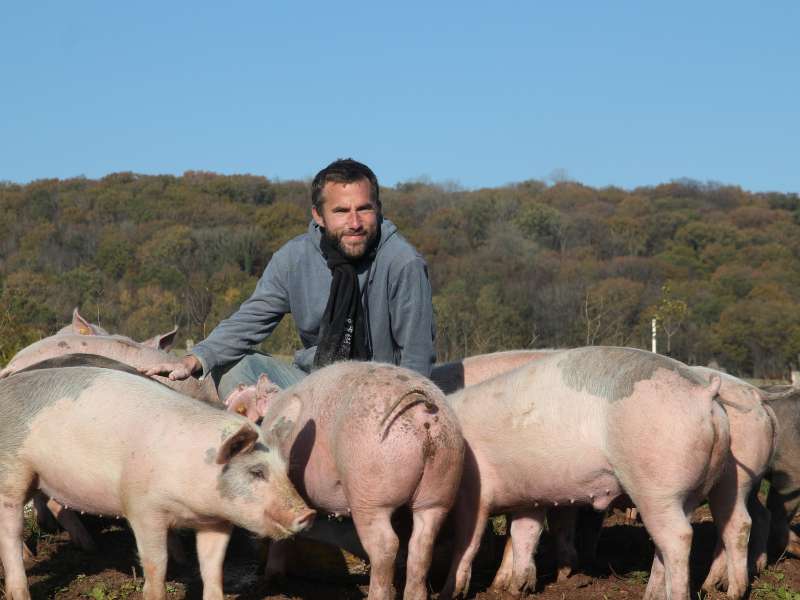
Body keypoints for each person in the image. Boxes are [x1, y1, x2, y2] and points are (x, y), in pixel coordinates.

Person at [143, 158, 436, 400]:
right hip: (314, 382)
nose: (355, 223)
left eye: (364, 209)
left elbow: (416, 356)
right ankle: (270, 455)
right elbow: (251, 320)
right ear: (318, 215)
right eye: (341, 211)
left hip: (380, 392)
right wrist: (195, 358)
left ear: (378, 209)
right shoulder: (294, 258)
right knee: (233, 366)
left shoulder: (402, 263)